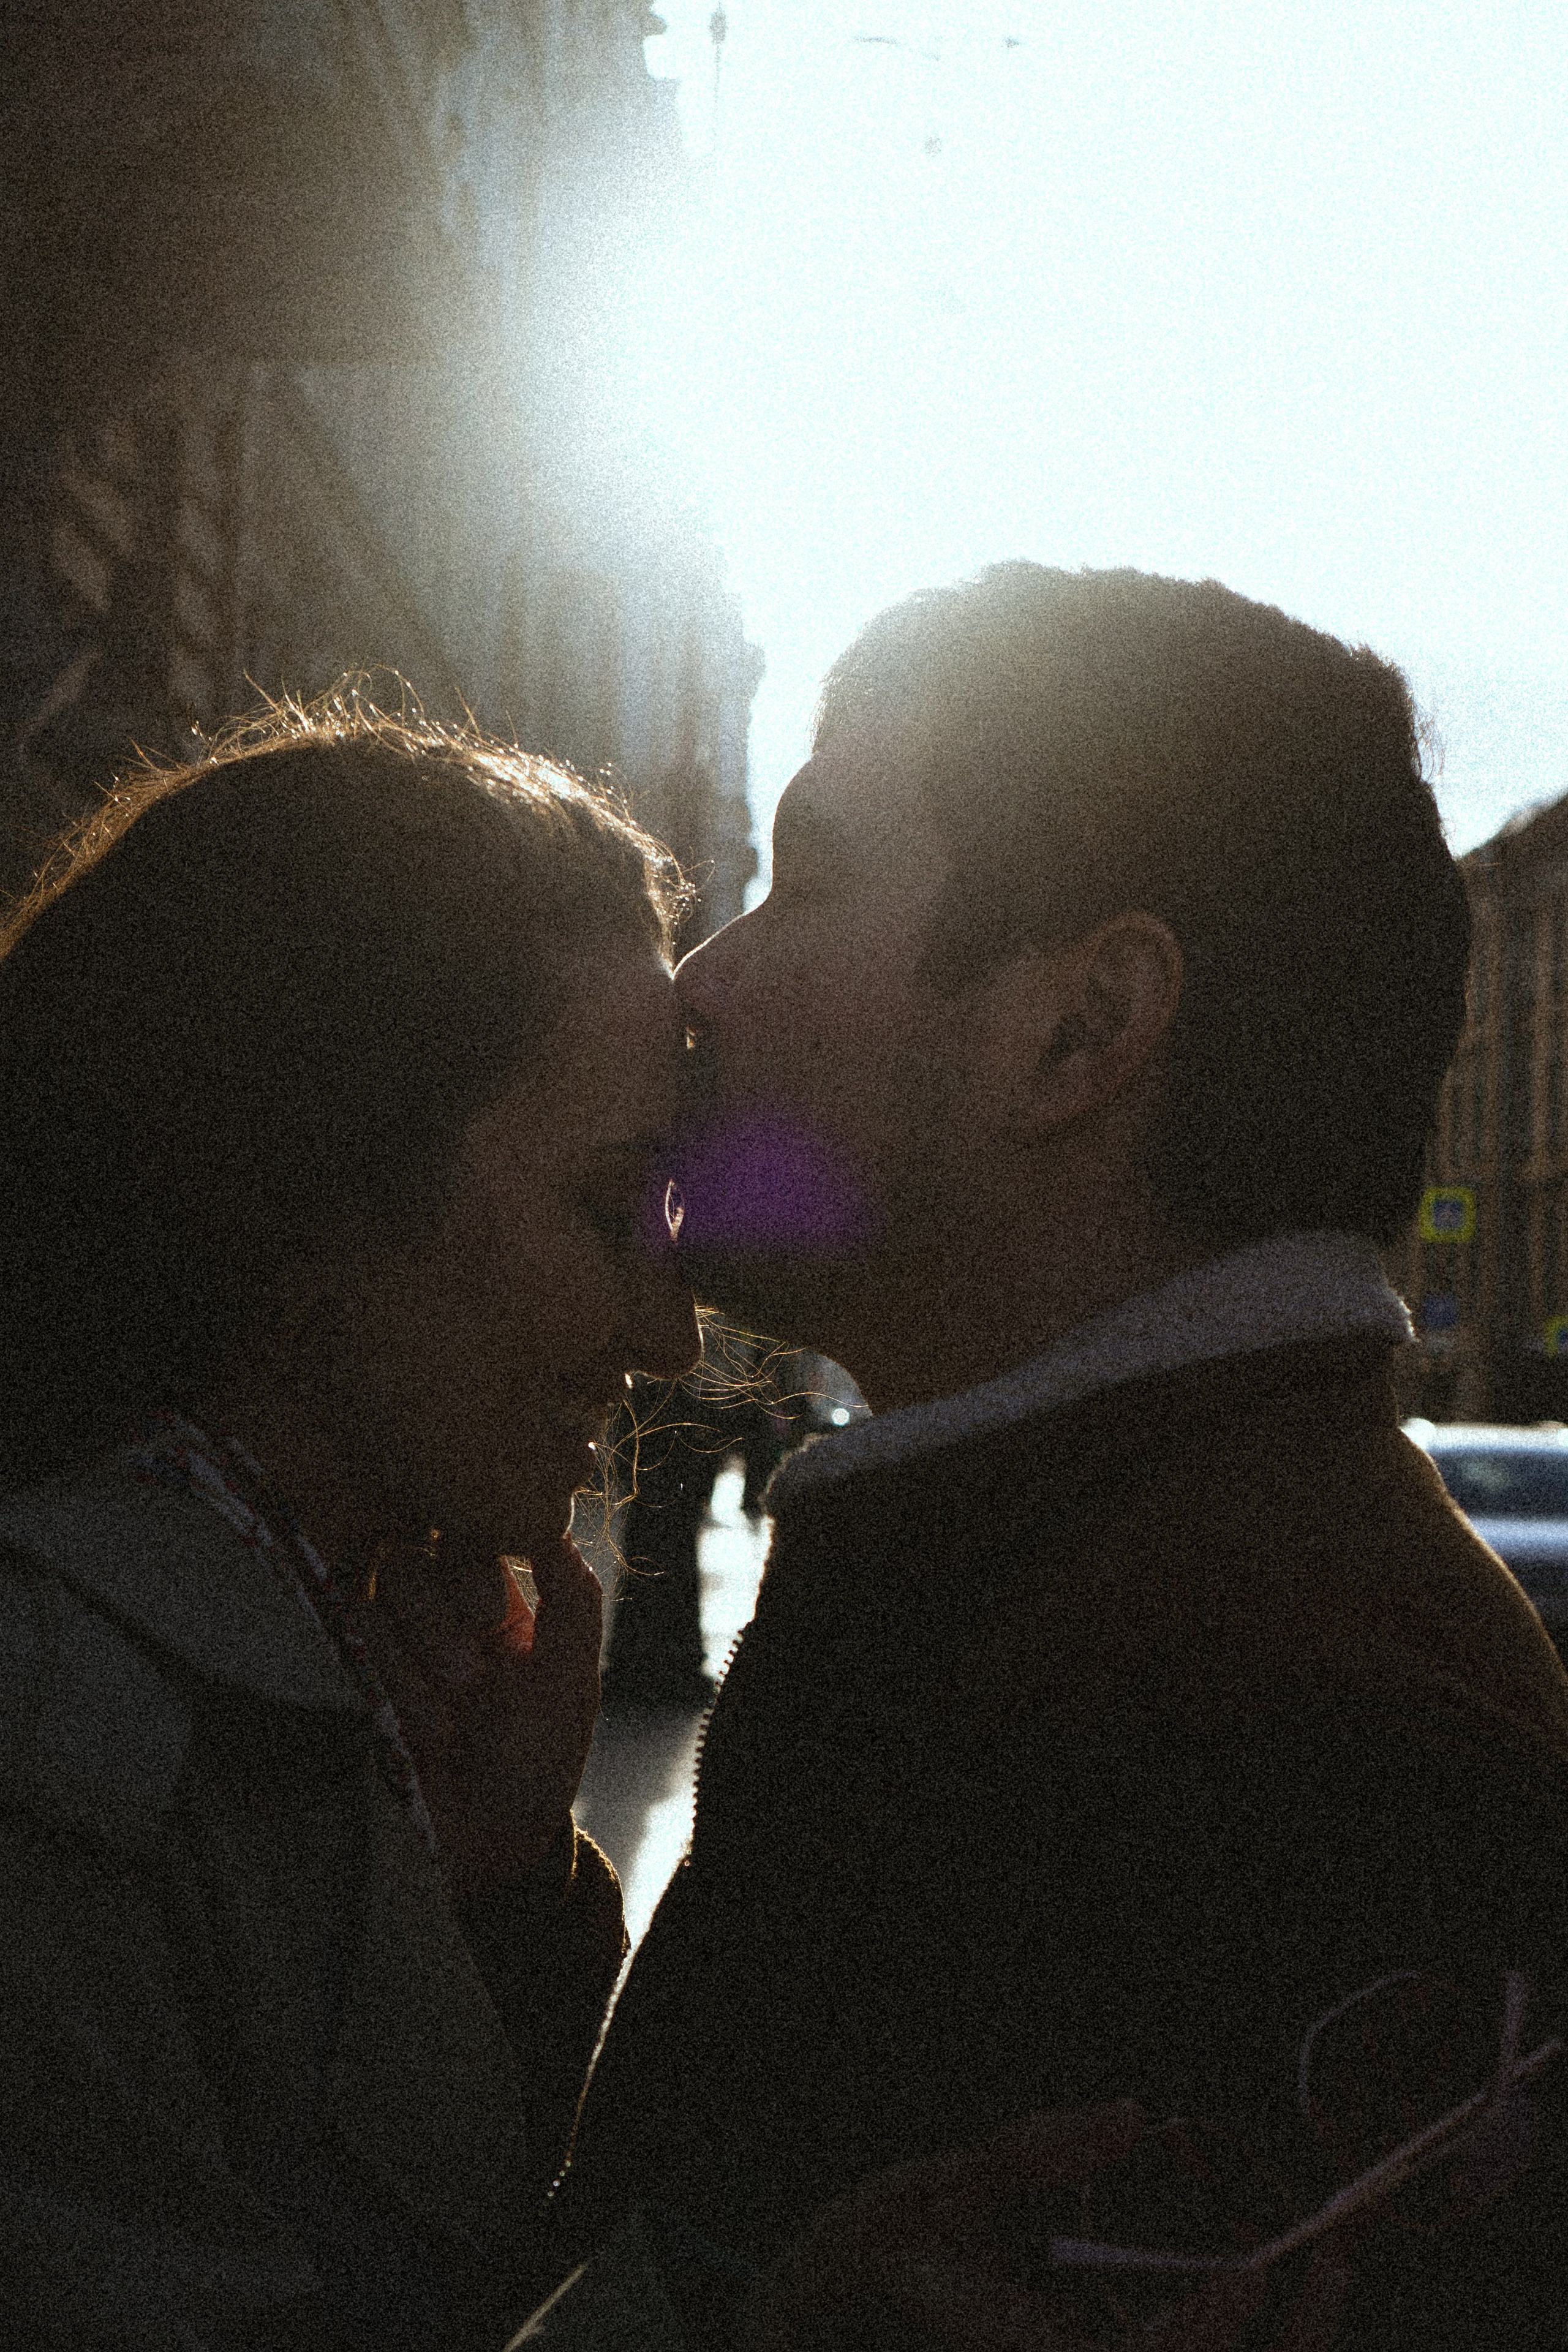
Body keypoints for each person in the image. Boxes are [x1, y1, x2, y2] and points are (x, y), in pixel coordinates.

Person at [0, 687, 1305, 2352]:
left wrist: (501, 1901)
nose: (663, 1334)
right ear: (316, 1190)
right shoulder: (56, 1748)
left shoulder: (305, 1677)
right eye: (610, 1208)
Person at [554, 566, 1568, 2347]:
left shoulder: (1289, 1735)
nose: (711, 972)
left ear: (1082, 1031)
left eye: (817, 872)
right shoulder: (1132, 1590)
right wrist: (507, 1896)